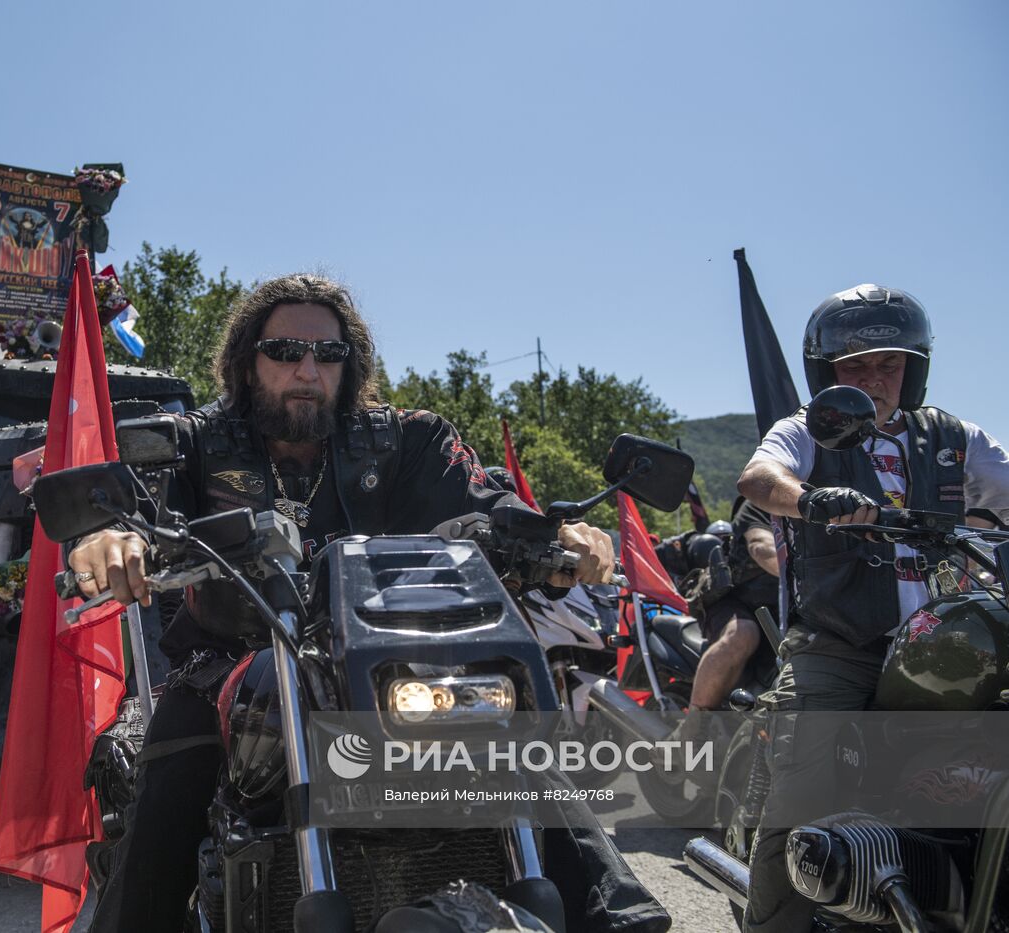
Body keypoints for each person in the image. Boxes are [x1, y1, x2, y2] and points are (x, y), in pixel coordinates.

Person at [70, 274, 671, 932]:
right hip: (231, 665)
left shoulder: (405, 440)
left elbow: (488, 505)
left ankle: (615, 913)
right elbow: (136, 506)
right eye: (286, 351)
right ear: (247, 362)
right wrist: (108, 540)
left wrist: (560, 536)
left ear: (350, 366)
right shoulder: (198, 442)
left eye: (328, 355)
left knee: (513, 741)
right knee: (167, 800)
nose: (307, 369)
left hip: (385, 666)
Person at [735, 284, 1009, 932]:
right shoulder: (806, 429)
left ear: (913, 369)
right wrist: (809, 500)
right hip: (839, 642)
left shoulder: (950, 436)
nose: (874, 378)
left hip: (943, 643)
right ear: (828, 374)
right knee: (802, 785)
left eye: (889, 364)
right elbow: (758, 478)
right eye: (855, 366)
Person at [684, 499, 778, 713]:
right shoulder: (760, 502)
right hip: (734, 599)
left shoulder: (834, 508)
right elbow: (761, 547)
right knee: (742, 634)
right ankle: (695, 724)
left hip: (782, 609)